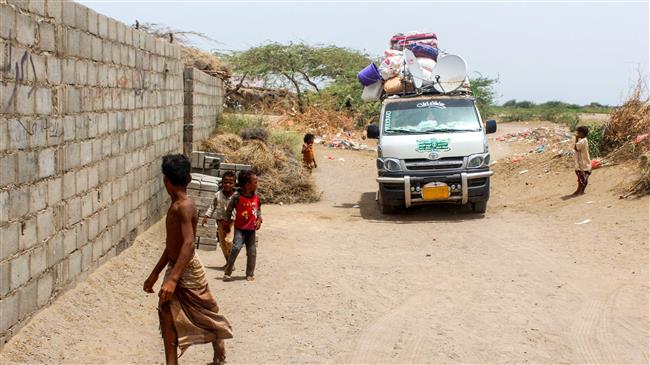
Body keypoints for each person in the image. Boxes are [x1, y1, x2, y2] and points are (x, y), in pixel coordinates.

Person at [144, 154, 232, 365]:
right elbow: (171, 245)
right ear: (190, 179)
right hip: (176, 265)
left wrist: (173, 279)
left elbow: (188, 244)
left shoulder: (184, 206)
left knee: (206, 311)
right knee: (166, 313)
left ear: (165, 180)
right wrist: (155, 274)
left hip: (188, 268)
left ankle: (218, 340)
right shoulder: (175, 206)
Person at [223, 170, 262, 282]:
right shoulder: (237, 197)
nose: (257, 184)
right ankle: (228, 270)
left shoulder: (255, 197)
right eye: (255, 182)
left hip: (251, 230)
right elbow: (229, 209)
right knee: (236, 247)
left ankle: (250, 273)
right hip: (240, 228)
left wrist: (259, 219)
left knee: (252, 251)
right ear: (247, 185)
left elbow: (258, 209)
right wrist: (226, 222)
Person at [202, 171, 236, 267]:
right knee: (222, 244)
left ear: (234, 184)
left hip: (232, 222)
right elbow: (212, 206)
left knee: (229, 241)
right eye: (225, 182)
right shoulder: (218, 195)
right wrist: (206, 216)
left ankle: (232, 258)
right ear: (222, 183)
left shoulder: (236, 196)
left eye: (230, 183)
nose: (228, 185)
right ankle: (228, 263)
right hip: (221, 222)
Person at [573, 126, 592, 195]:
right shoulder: (584, 140)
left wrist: (576, 138)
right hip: (584, 161)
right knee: (583, 177)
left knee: (582, 177)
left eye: (578, 132)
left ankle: (580, 190)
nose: (577, 133)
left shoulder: (582, 141)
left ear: (582, 133)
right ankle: (580, 190)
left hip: (582, 163)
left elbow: (575, 148)